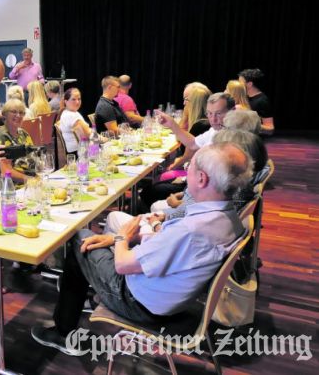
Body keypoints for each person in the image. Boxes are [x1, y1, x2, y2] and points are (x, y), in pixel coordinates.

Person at [31, 143, 251, 355]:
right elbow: (165, 248)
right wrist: (119, 239)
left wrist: (121, 238)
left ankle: (63, 332)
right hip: (166, 297)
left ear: (202, 179)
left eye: (189, 168)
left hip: (138, 302)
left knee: (80, 238)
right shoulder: (228, 216)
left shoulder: (191, 230)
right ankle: (89, 291)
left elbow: (122, 264)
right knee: (98, 240)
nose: (187, 172)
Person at [143, 93, 236, 208]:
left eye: (218, 114)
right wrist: (172, 124)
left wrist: (184, 202)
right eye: (209, 113)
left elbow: (219, 190)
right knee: (151, 190)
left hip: (204, 197)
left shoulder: (233, 139)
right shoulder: (216, 130)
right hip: (195, 187)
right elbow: (193, 143)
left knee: (151, 195)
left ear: (232, 111)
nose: (213, 119)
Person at [0, 99, 34, 183]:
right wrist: (31, 180)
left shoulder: (23, 133)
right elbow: (6, 172)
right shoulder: (2, 136)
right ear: (4, 114)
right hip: (14, 185)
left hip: (30, 178)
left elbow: (34, 157)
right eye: (14, 112)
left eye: (21, 113)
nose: (18, 115)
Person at [238, 68, 274, 134]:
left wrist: (248, 125)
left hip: (253, 141)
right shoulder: (243, 97)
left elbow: (270, 129)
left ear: (249, 84)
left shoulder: (262, 101)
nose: (238, 84)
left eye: (240, 82)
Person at [59, 88, 92, 155]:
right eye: (73, 99)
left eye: (79, 99)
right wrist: (105, 139)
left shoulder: (71, 112)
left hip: (81, 150)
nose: (77, 102)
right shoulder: (71, 116)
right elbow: (87, 135)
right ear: (66, 101)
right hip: (80, 154)